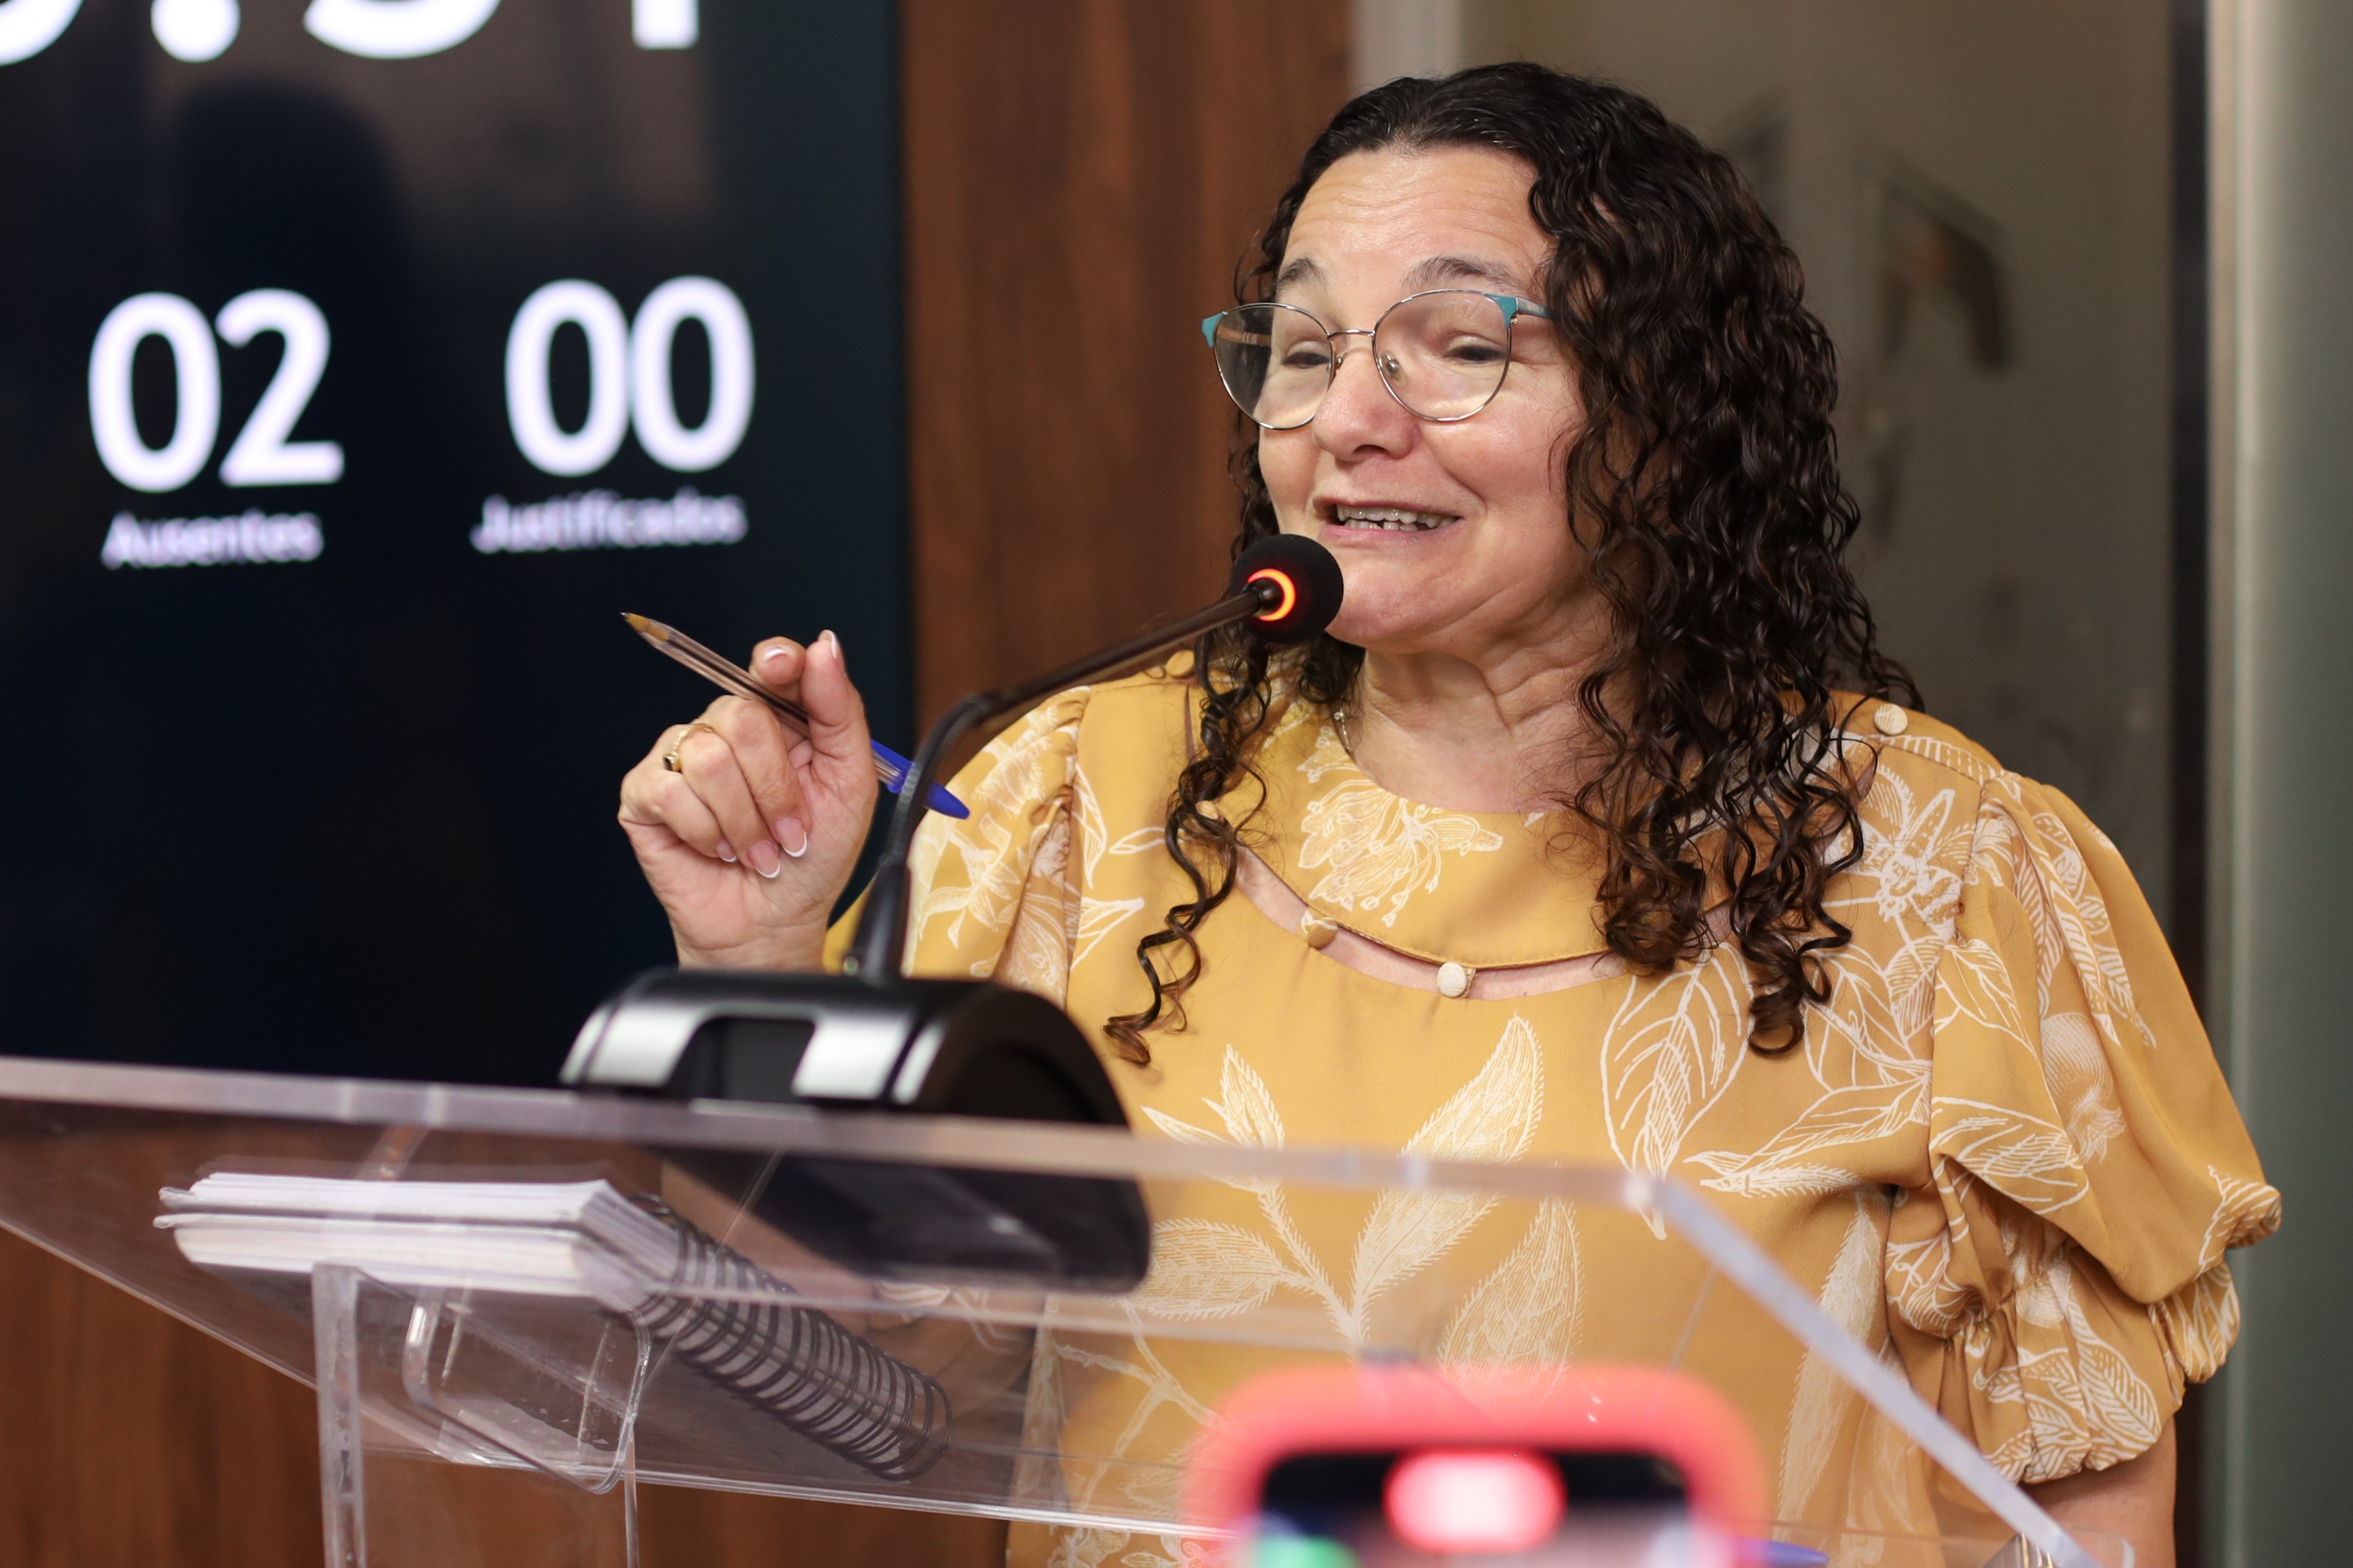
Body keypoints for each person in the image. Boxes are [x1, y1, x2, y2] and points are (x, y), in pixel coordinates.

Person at [617, 64, 2275, 1568]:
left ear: (1662, 412)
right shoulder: (1065, 803)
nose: (1349, 418)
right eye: (1306, 350)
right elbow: (892, 1383)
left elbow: (2081, 1511)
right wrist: (762, 956)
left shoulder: (1942, 868)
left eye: (1462, 347)